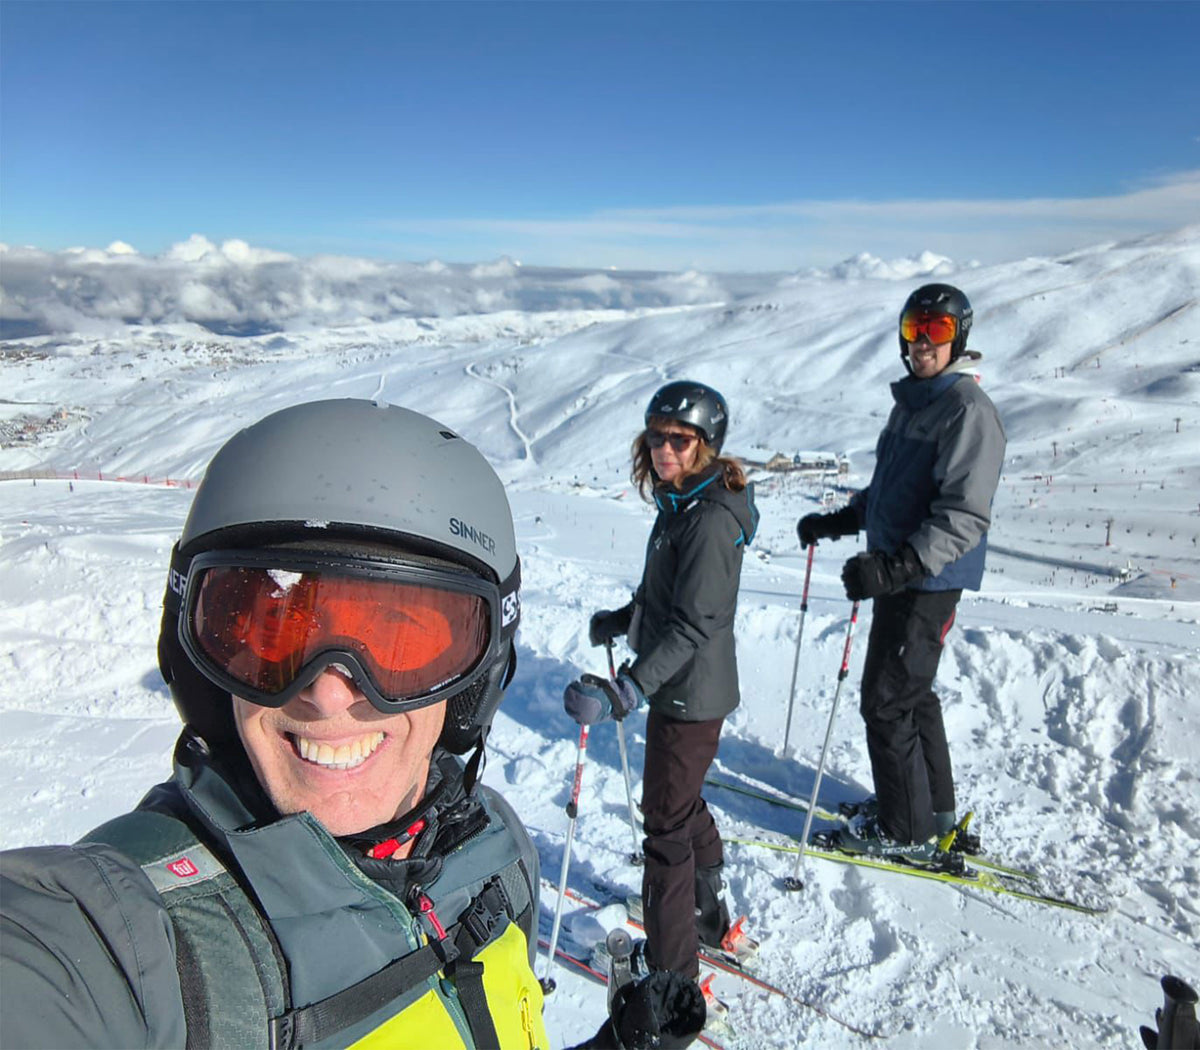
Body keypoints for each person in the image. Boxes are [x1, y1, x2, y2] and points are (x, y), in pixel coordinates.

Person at [1, 399, 550, 1049]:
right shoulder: (131, 944)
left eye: (396, 640)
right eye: (273, 632)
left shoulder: (495, 851)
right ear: (201, 663)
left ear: (473, 679)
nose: (326, 693)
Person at [798, 284, 1006, 863]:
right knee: (912, 696)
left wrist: (899, 565)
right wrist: (842, 519)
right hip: (904, 575)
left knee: (886, 700)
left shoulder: (966, 410)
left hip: (927, 580)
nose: (922, 344)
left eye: (936, 331)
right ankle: (929, 810)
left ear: (958, 336)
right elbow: (892, 486)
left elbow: (965, 514)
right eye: (914, 330)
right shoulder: (916, 402)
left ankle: (905, 828)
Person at [563, 381, 758, 984]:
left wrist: (630, 687)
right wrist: (625, 620)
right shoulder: (681, 505)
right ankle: (705, 911)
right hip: (685, 688)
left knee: (665, 826)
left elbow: (696, 622)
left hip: (687, 691)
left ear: (705, 444)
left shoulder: (706, 521)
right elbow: (664, 597)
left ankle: (671, 966)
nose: (664, 449)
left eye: (679, 439)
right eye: (656, 437)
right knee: (678, 803)